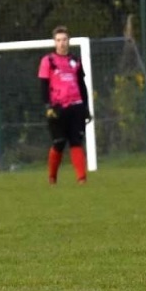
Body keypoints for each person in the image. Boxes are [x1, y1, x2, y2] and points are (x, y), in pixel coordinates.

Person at [39, 25, 91, 185]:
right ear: (54, 42)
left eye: (64, 40)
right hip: (57, 107)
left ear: (69, 41)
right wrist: (48, 106)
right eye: (58, 40)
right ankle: (52, 176)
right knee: (59, 142)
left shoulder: (75, 60)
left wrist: (86, 107)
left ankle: (82, 179)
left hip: (76, 106)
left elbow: (82, 85)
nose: (62, 43)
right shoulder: (48, 61)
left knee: (76, 141)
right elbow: (43, 85)